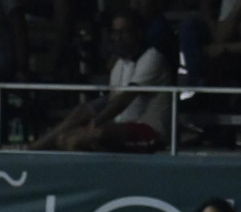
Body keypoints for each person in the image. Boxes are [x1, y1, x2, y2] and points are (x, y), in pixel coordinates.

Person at [29, 12, 170, 153]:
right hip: (122, 127)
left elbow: (123, 100)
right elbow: (112, 98)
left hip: (150, 131)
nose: (117, 38)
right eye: (115, 32)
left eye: (123, 32)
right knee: (64, 139)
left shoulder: (152, 57)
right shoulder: (119, 65)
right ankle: (34, 148)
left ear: (138, 33)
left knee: (82, 139)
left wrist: (94, 123)